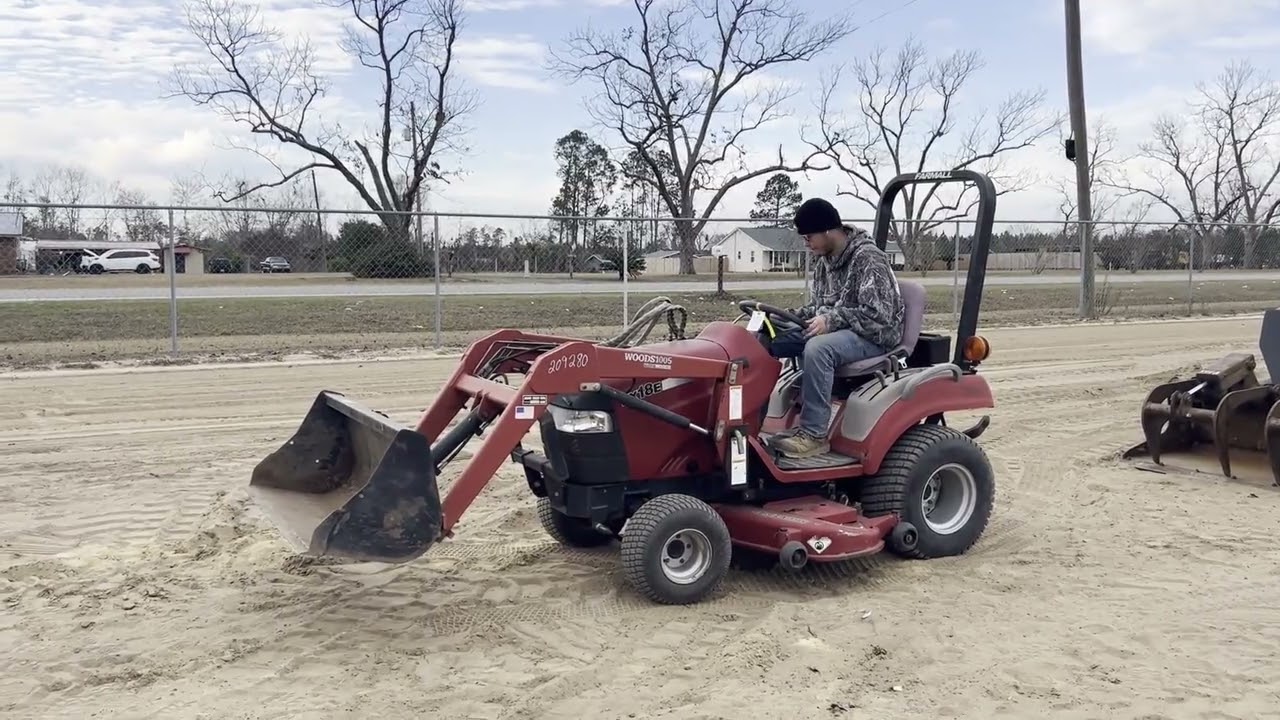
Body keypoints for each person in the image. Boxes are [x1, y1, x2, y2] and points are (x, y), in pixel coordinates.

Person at [763, 197, 904, 459]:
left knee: (817, 348)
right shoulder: (824, 261)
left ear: (828, 230)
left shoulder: (868, 259)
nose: (806, 244)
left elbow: (878, 315)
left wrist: (831, 321)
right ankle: (753, 421)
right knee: (768, 338)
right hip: (842, 329)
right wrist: (784, 318)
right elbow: (818, 305)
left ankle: (814, 435)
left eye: (808, 237)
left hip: (874, 335)